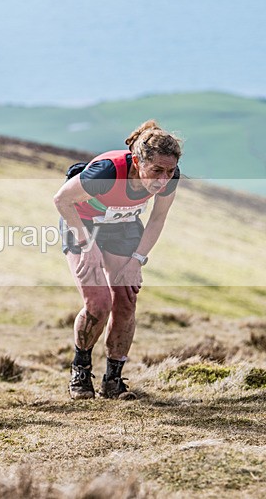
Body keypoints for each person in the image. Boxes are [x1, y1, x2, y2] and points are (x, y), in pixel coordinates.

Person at [53, 120, 182, 400]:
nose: (163, 179)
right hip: (82, 223)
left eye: (169, 171)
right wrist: (87, 246)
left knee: (126, 300)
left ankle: (113, 379)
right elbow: (62, 200)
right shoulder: (108, 172)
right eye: (156, 170)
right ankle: (81, 369)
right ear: (137, 161)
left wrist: (137, 261)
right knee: (99, 303)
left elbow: (157, 219)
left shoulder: (170, 178)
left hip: (122, 226)